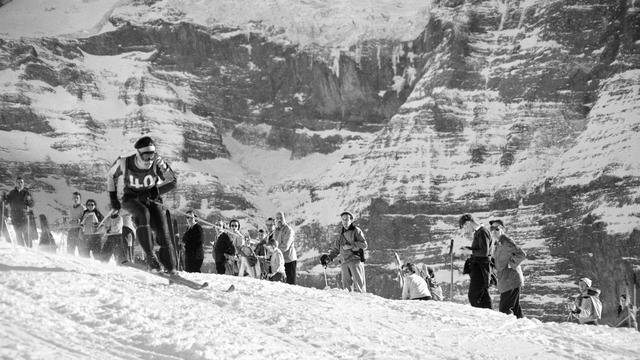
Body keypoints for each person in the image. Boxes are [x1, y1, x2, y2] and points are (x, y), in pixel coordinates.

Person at [106, 136, 178, 273]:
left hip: (150, 199)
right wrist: (113, 198)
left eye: (151, 156)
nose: (149, 160)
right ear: (138, 154)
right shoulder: (124, 162)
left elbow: (173, 181)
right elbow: (111, 176)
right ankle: (151, 259)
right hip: (131, 198)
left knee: (163, 230)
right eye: (146, 157)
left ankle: (171, 267)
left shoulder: (157, 162)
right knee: (143, 214)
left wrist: (154, 191)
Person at [320, 211, 368, 293]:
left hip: (355, 261)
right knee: (346, 289)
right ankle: (348, 305)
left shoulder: (356, 231)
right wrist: (328, 258)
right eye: (343, 220)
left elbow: (364, 245)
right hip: (344, 262)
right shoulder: (340, 234)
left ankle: (362, 304)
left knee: (359, 288)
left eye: (347, 219)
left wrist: (351, 245)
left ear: (351, 220)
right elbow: (336, 249)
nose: (345, 222)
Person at [490, 219, 526, 318]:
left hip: (511, 280)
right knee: (515, 309)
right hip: (505, 281)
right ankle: (525, 329)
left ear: (502, 229)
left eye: (496, 229)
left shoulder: (507, 241)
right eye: (491, 229)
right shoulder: (498, 243)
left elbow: (521, 254)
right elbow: (500, 260)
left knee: (504, 310)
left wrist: (511, 264)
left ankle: (514, 330)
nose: (493, 231)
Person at [459, 214, 492, 309]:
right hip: (480, 268)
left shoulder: (482, 232)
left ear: (468, 222)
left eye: (465, 226)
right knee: (482, 295)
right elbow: (480, 249)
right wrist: (469, 248)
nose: (465, 230)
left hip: (481, 268)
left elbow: (484, 252)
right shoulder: (479, 232)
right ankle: (491, 315)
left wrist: (470, 251)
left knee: (474, 295)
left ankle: (484, 315)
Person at [3, 177, 35, 247]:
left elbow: (32, 204)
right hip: (15, 216)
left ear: (23, 183)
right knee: (18, 234)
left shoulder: (26, 193)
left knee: (26, 233)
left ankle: (30, 249)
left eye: (21, 182)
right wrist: (4, 198)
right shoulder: (12, 193)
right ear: (16, 183)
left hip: (24, 216)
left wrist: (29, 200)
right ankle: (22, 250)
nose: (20, 183)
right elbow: (6, 202)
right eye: (18, 182)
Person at [274, 212, 297, 285]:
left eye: (281, 218)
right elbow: (274, 243)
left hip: (289, 261)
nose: (279, 220)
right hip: (280, 260)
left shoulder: (289, 230)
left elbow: (285, 246)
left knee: (290, 284)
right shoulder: (276, 231)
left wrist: (274, 250)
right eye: (277, 218)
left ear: (284, 219)